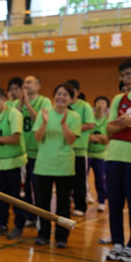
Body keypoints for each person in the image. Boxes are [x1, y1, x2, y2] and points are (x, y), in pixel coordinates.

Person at [32, 83, 81, 248]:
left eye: (65, 94)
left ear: (71, 99)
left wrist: (64, 124)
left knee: (63, 203)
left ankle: (61, 237)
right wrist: (45, 123)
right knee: (42, 202)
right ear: (54, 97)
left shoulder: (74, 116)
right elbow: (38, 138)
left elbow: (71, 140)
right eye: (58, 94)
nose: (61, 97)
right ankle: (43, 234)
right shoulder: (44, 113)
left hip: (64, 166)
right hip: (44, 165)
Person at [0, 84, 27, 239]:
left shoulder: (13, 114)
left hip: (15, 163)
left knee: (16, 197)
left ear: (3, 99)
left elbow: (15, 138)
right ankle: (2, 224)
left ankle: (19, 225)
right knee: (0, 196)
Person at [104, 57, 131, 262]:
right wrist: (125, 126)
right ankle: (117, 242)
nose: (125, 79)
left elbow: (121, 126)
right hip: (114, 157)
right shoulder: (119, 98)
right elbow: (108, 130)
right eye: (122, 75)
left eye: (129, 74)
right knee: (114, 203)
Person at [14, 76, 53, 227]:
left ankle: (40, 218)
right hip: (23, 152)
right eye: (24, 83)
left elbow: (42, 121)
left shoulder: (45, 101)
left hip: (39, 152)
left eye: (29, 82)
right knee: (26, 189)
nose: (25, 85)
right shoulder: (18, 102)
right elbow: (13, 119)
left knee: (39, 188)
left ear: (38, 85)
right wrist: (21, 104)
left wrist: (28, 105)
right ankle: (30, 216)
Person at [66, 79, 96, 217]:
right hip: (64, 150)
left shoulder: (84, 106)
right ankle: (68, 204)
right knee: (66, 180)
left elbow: (91, 124)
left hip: (79, 149)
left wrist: (73, 128)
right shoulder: (62, 106)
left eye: (72, 91)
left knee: (80, 180)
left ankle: (81, 206)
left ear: (78, 92)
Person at [88, 96, 110, 212]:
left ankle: (101, 201)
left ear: (107, 106)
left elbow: (107, 139)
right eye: (98, 102)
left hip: (101, 156)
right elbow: (87, 137)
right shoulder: (90, 120)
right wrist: (100, 138)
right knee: (81, 179)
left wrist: (95, 138)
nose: (100, 105)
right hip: (88, 154)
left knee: (100, 180)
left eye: (103, 103)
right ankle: (80, 197)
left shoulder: (107, 121)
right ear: (94, 105)